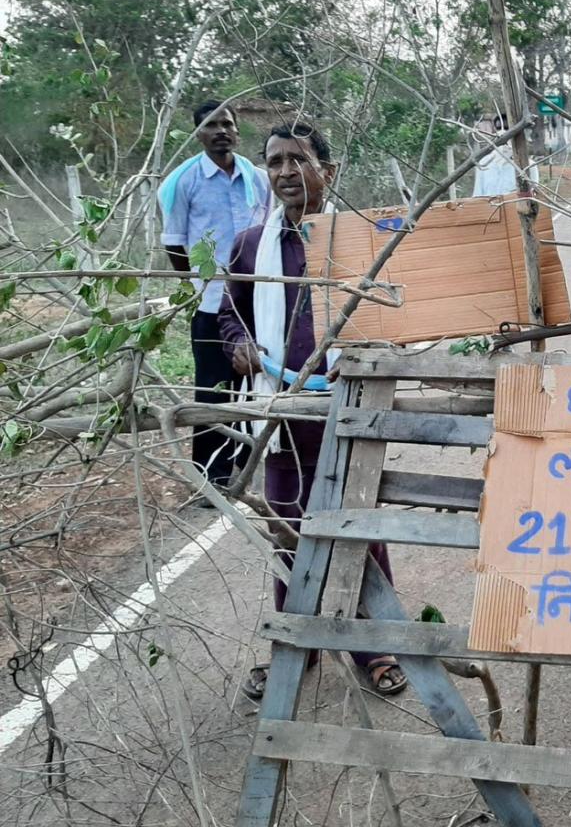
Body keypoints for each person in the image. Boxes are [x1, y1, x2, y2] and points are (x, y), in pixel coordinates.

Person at [218, 121, 407, 701]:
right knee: (287, 532)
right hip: (281, 416)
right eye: (274, 161)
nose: (284, 172)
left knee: (360, 529)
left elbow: (398, 311)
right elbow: (229, 313)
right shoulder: (252, 245)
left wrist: (370, 355)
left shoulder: (362, 239)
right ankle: (295, 649)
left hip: (350, 410)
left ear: (329, 170)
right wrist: (238, 345)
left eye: (297, 160)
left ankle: (376, 648)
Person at [159, 99, 269, 501]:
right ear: (198, 133)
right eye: (210, 124)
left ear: (237, 130)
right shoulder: (181, 182)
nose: (220, 131)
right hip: (210, 306)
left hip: (257, 303)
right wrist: (197, 288)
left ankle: (247, 466)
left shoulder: (258, 178)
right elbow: (174, 242)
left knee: (256, 388)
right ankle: (210, 480)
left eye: (226, 123)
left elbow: (268, 230)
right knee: (213, 392)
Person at [472, 113, 540, 197]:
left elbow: (534, 198)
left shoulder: (529, 166)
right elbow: (477, 196)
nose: (502, 132)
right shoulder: (484, 164)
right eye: (498, 128)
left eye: (507, 128)